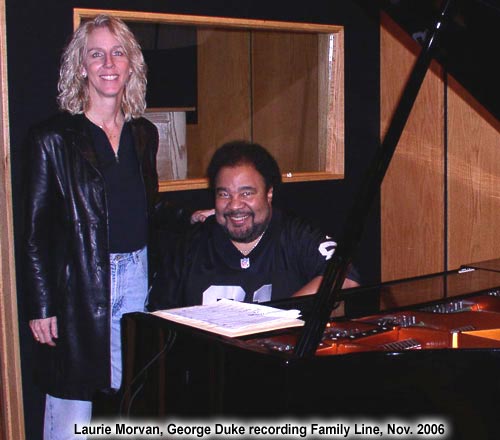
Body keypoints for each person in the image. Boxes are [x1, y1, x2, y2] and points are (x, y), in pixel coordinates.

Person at [23, 14, 160, 439]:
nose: (108, 63)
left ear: (130, 63)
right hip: (79, 285)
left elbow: (145, 209)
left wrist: (194, 216)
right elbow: (34, 232)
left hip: (137, 277)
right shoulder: (53, 139)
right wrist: (41, 304)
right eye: (96, 54)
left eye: (118, 53)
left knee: (128, 397)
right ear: (80, 65)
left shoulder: (144, 134)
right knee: (72, 405)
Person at [148, 140, 360, 311]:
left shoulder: (295, 235)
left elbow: (346, 278)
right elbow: (158, 320)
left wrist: (277, 318)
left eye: (246, 193)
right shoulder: (189, 245)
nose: (235, 205)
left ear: (269, 193)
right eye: (224, 194)